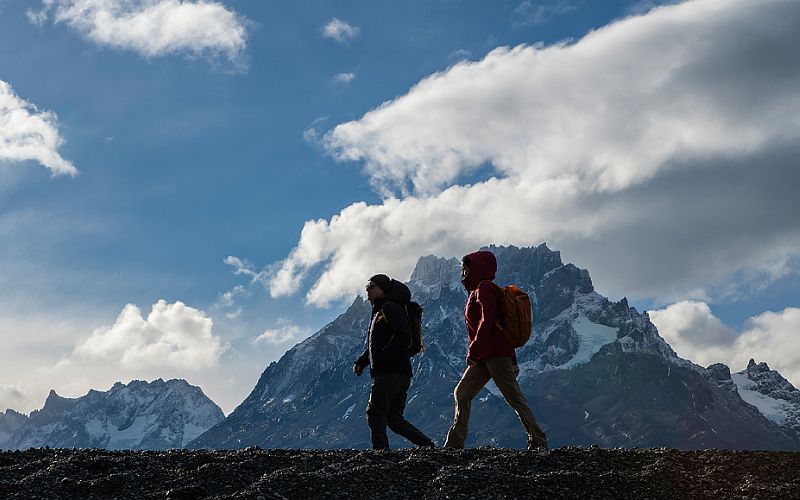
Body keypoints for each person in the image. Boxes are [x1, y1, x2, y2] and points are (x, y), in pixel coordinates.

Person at [443, 250, 548, 450]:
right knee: (462, 393)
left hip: (494, 355)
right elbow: (503, 326)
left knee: (513, 397)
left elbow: (488, 320)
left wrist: (474, 349)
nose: (463, 274)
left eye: (465, 270)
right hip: (486, 355)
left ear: (476, 269)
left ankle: (538, 439)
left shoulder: (484, 288)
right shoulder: (477, 291)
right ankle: (454, 444)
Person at [354, 274, 434, 450]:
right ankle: (427, 445)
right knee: (393, 418)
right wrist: (361, 362)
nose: (367, 289)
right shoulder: (381, 311)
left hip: (390, 372)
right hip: (399, 371)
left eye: (371, 285)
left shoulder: (390, 308)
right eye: (366, 286)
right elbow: (376, 345)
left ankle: (381, 454)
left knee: (375, 414)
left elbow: (403, 335)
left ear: (382, 288)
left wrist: (384, 357)